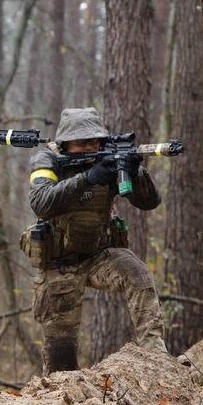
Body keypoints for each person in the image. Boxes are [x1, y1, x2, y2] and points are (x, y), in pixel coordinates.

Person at [27, 107, 168, 374]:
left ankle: (156, 355)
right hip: (59, 264)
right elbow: (41, 203)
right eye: (83, 142)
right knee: (61, 361)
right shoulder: (47, 160)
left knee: (138, 274)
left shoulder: (108, 159)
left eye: (95, 141)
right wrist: (87, 178)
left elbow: (150, 202)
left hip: (99, 255)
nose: (91, 147)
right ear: (66, 143)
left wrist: (135, 173)